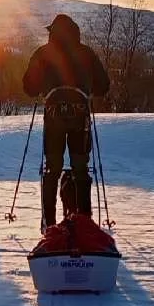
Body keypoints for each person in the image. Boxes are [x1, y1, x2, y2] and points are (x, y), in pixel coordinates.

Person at [22, 13, 110, 227]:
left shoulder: (43, 53)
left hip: (53, 116)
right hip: (80, 116)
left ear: (52, 32)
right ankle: (84, 221)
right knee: (80, 167)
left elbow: (29, 88)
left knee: (52, 168)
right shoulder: (86, 53)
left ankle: (49, 223)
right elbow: (103, 86)